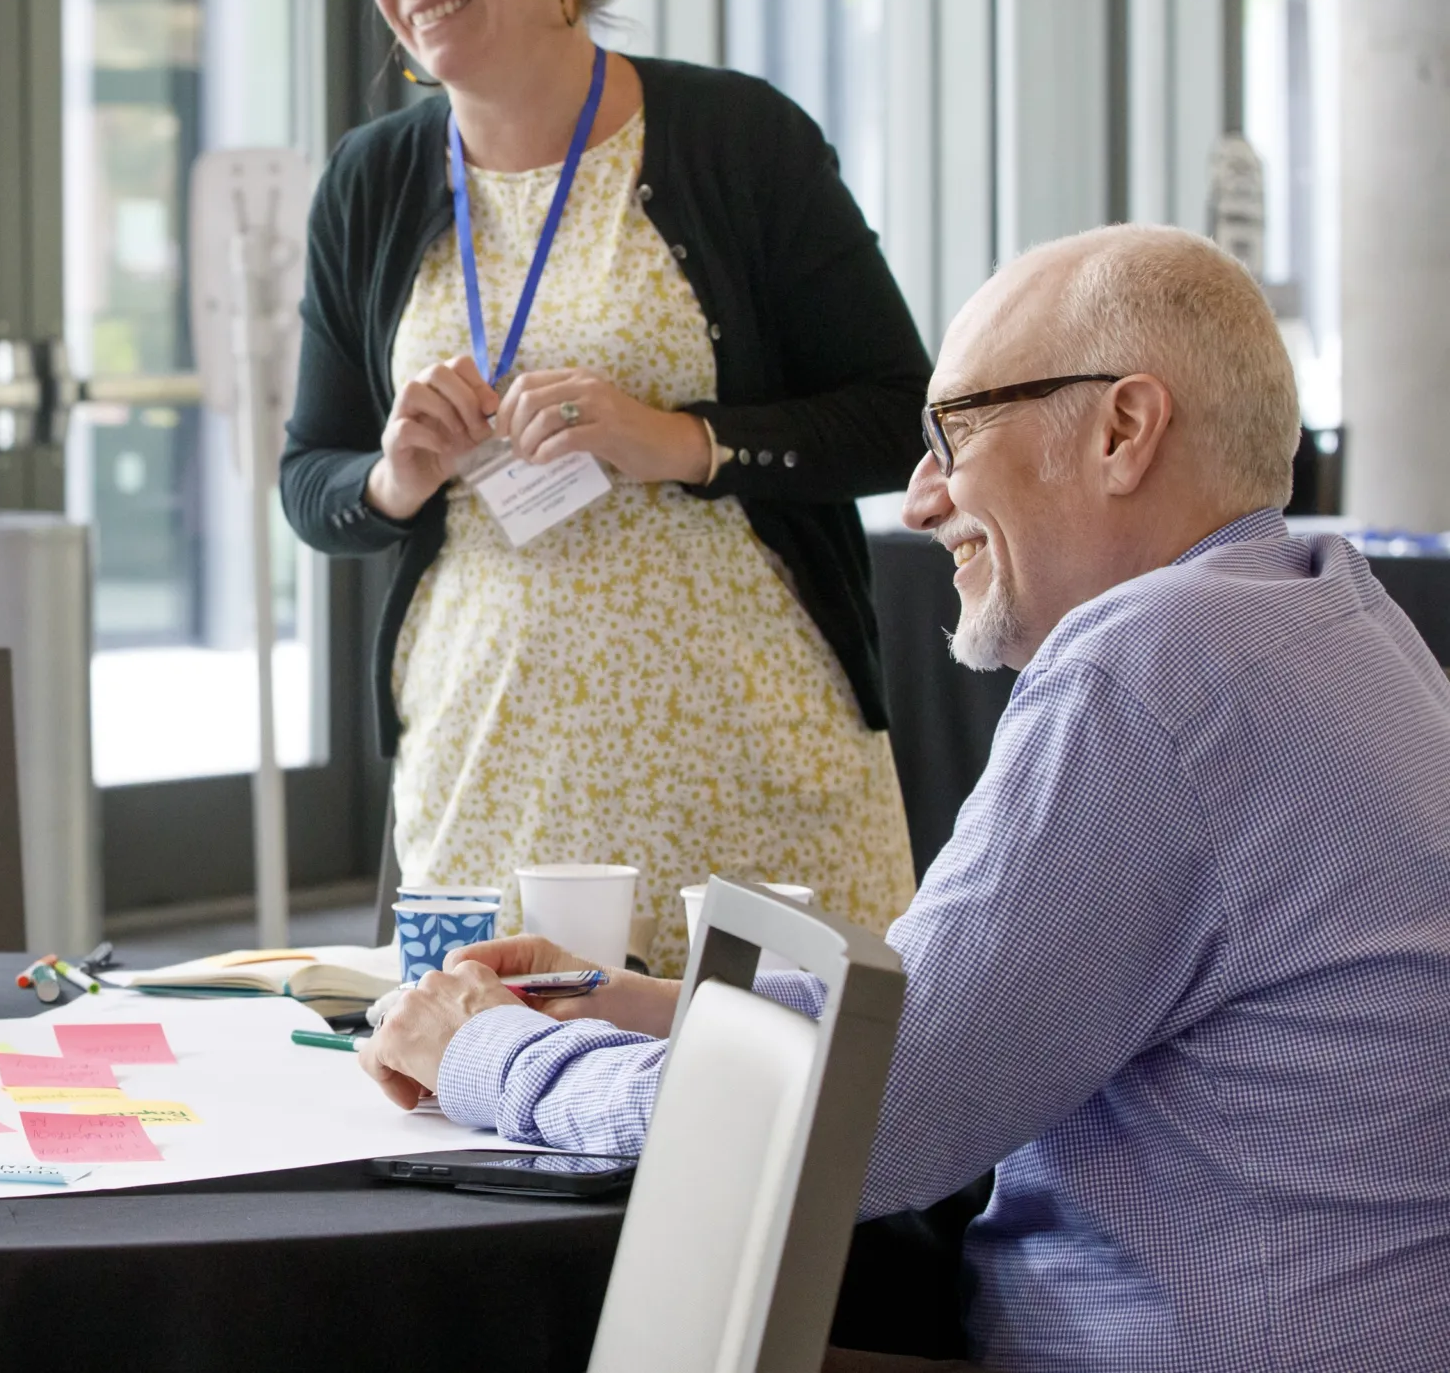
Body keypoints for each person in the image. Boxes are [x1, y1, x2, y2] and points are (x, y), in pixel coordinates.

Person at [363, 225, 1450, 1370]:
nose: (922, 499)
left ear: (1123, 431)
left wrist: (484, 1054)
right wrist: (650, 1004)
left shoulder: (1142, 664)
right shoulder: (1336, 619)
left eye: (954, 433)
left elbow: (852, 1130)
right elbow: (972, 1017)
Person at [281, 0, 931, 971]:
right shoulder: (369, 181)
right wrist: (391, 475)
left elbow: (900, 418)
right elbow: (307, 481)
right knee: (498, 1114)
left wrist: (681, 441)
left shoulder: (738, 141)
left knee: (792, 1128)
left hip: (755, 763)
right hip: (492, 767)